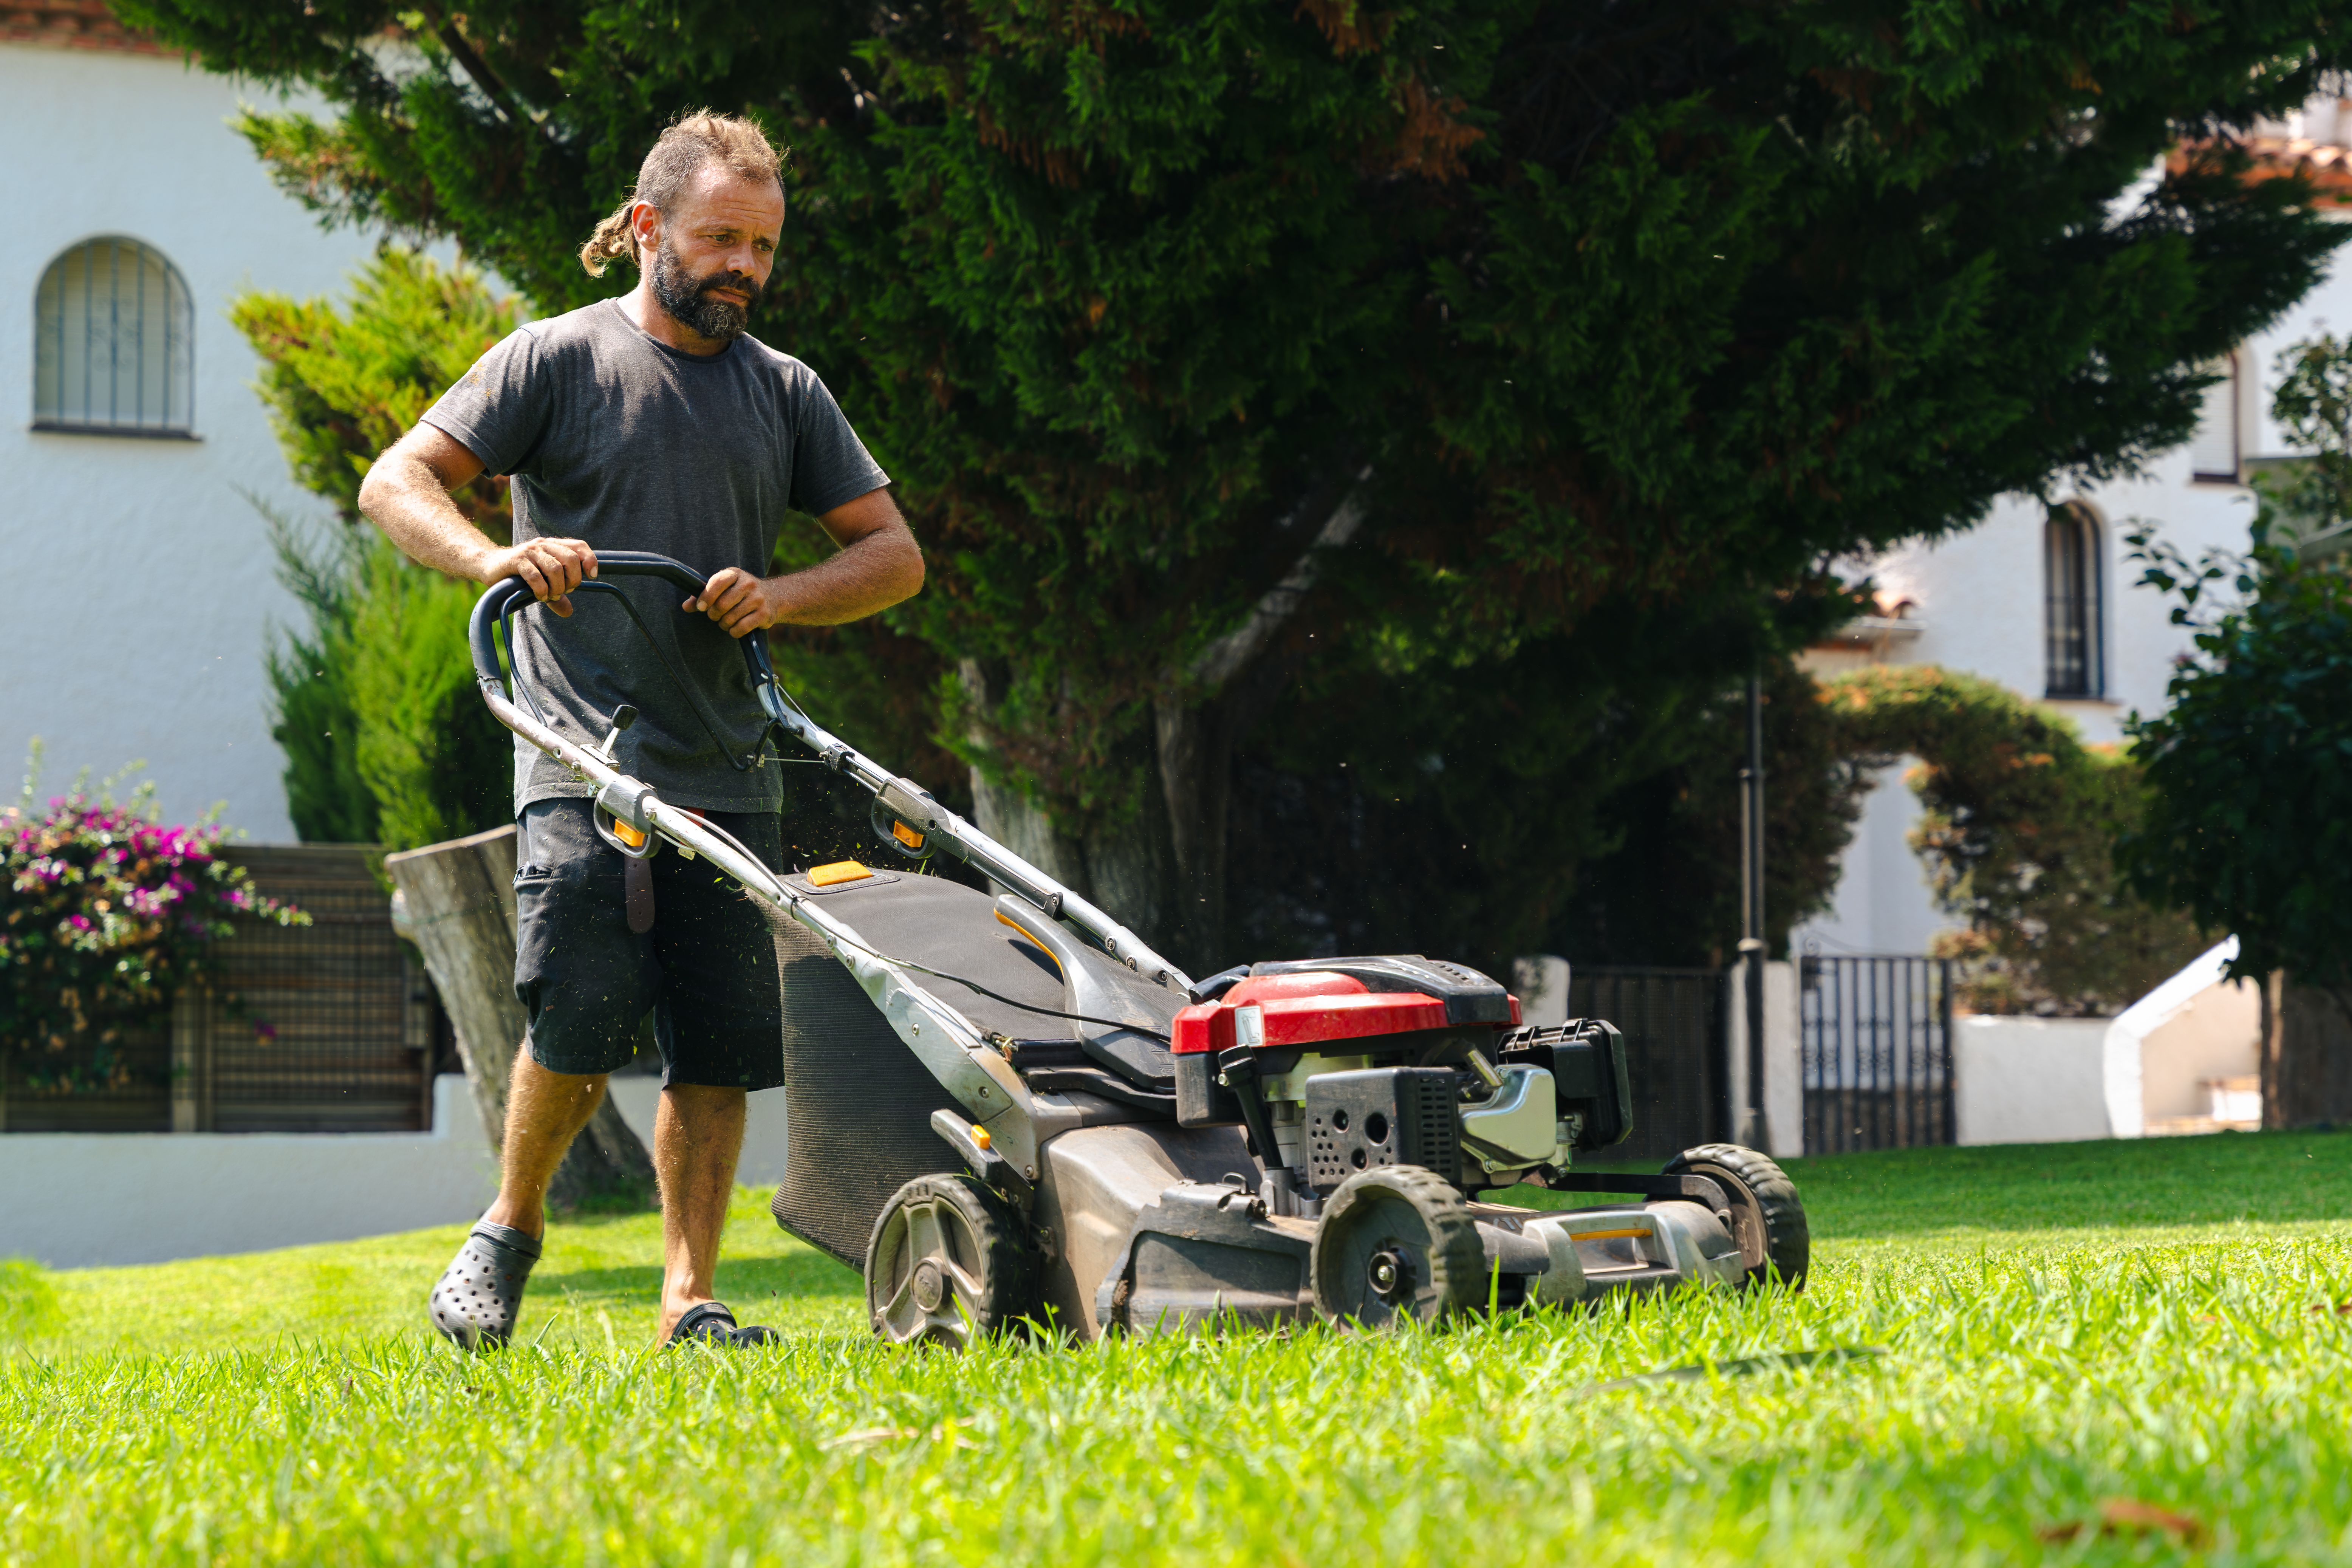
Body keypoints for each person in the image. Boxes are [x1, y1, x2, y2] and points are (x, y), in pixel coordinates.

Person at [357, 111, 923, 1348]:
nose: (745, 268)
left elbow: (893, 557)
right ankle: (510, 1230)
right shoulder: (552, 361)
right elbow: (394, 481)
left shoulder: (785, 393)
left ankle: (691, 1300)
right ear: (651, 226)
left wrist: (779, 597)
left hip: (731, 763)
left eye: (764, 248)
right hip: (579, 752)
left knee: (715, 1044)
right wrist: (497, 557)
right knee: (581, 1005)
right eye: (723, 238)